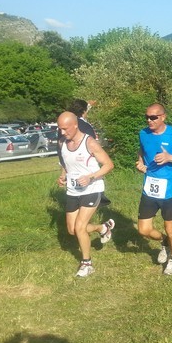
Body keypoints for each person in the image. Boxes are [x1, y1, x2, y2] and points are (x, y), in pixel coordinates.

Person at [135, 103, 172, 275]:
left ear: (163, 117)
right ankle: (164, 242)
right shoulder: (143, 133)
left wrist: (170, 158)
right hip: (150, 188)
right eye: (146, 117)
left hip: (170, 190)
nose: (149, 120)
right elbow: (142, 150)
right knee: (143, 230)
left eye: (153, 117)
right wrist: (141, 163)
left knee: (170, 228)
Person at [57, 112, 115, 277]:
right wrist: (63, 176)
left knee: (80, 227)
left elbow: (109, 165)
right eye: (60, 129)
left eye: (65, 129)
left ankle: (87, 264)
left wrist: (90, 177)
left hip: (92, 189)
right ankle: (102, 227)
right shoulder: (63, 143)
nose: (62, 132)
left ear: (75, 125)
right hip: (73, 191)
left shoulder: (89, 143)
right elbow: (66, 164)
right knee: (71, 229)